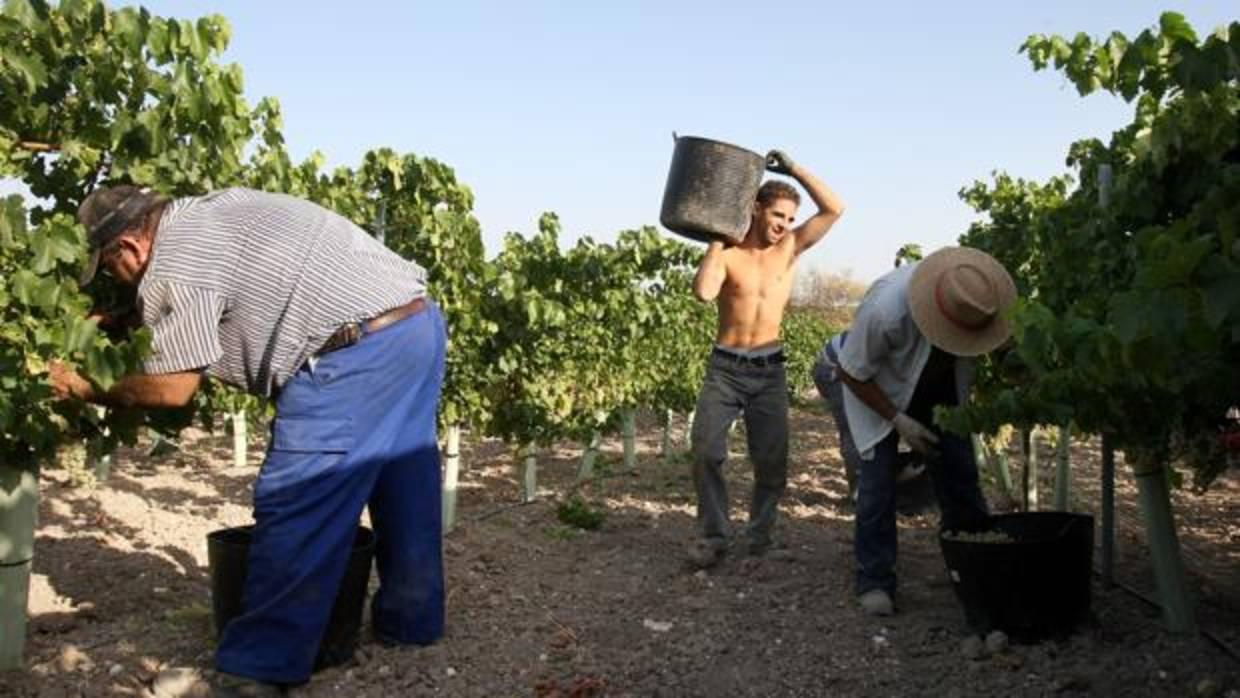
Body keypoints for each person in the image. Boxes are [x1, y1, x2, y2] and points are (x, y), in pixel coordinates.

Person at [49, 185, 447, 696]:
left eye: (107, 268)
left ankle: (258, 666)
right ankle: (412, 623)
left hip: (350, 353)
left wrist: (82, 387)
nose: (114, 280)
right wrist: (129, 321)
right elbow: (233, 283)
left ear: (128, 247)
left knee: (300, 498)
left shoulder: (175, 261)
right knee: (402, 478)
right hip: (413, 325)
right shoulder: (204, 213)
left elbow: (174, 389)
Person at [811, 246, 1016, 616]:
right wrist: (898, 419)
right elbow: (851, 371)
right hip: (873, 384)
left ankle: (974, 567)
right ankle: (874, 580)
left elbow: (1005, 350)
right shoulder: (887, 310)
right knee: (877, 482)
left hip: (937, 386)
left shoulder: (982, 298)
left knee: (960, 472)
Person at [687, 150, 846, 568]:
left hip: (770, 371)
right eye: (778, 215)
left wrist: (794, 169)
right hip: (725, 369)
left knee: (772, 462)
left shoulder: (790, 249)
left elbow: (835, 208)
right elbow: (704, 292)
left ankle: (760, 536)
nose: (784, 226)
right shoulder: (729, 252)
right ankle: (713, 536)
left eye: (791, 219)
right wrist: (718, 235)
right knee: (705, 452)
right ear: (756, 209)